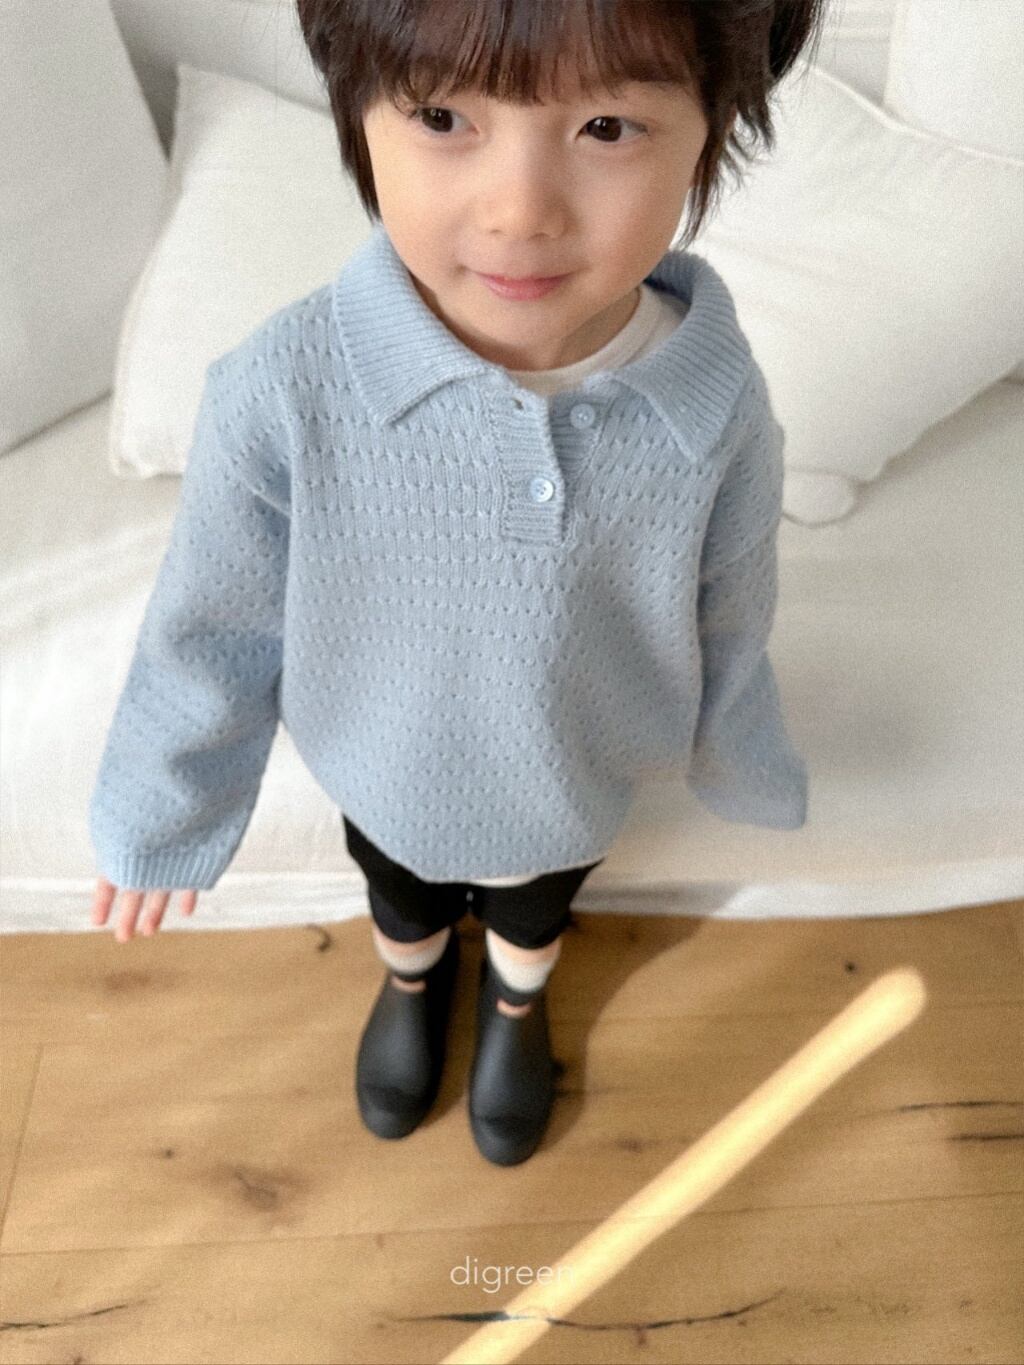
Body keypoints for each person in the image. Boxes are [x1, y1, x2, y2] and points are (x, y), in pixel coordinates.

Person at [89, 0, 828, 1166]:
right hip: (383, 770)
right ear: (359, 115)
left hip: (571, 781)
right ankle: (411, 982)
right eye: (443, 117)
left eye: (606, 127)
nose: (519, 210)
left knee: (534, 913)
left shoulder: (715, 399)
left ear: (712, 131)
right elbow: (212, 621)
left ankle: (517, 1006)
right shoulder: (282, 389)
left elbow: (733, 599)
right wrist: (160, 808)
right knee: (401, 902)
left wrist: (743, 757)